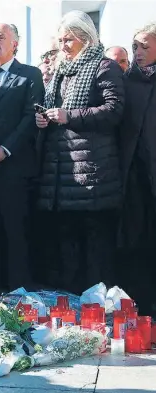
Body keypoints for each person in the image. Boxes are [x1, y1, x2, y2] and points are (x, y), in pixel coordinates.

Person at [35, 11, 124, 293]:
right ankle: (71, 311)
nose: (63, 46)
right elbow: (55, 112)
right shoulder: (61, 71)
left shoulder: (104, 66)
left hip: (93, 175)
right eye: (60, 40)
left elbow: (114, 110)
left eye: (68, 40)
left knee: (94, 250)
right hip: (61, 175)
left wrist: (69, 116)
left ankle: (97, 311)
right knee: (66, 247)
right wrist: (44, 119)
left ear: (85, 38)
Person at [0, 23, 44, 295]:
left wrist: (5, 149)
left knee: (15, 232)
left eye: (0, 36)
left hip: (14, 167)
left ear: (15, 43)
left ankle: (19, 296)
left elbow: (29, 118)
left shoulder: (29, 75)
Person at [119, 22, 156, 317]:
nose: (138, 52)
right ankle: (139, 308)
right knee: (135, 242)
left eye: (145, 46)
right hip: (132, 176)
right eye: (135, 46)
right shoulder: (126, 80)